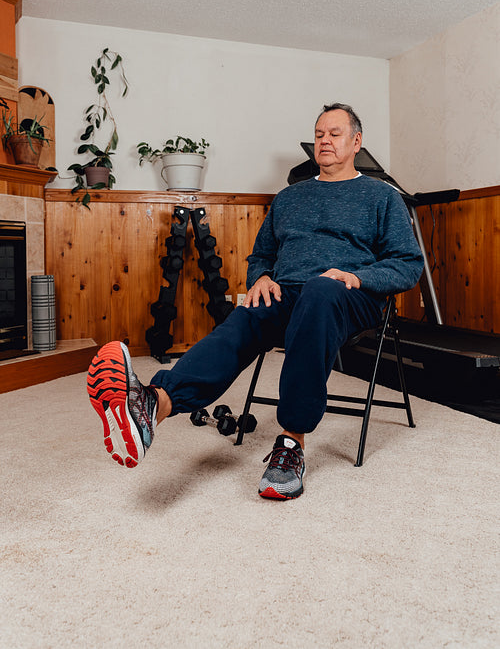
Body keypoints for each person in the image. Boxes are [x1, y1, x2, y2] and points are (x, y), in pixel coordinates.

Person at [88, 103, 424, 500]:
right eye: (319, 135)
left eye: (334, 134)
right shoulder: (289, 198)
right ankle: (152, 406)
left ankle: (291, 444)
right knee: (249, 313)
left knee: (320, 289)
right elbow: (262, 255)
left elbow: (407, 264)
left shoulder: (381, 197)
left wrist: (358, 276)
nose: (325, 141)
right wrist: (260, 278)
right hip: (289, 294)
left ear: (356, 141)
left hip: (350, 295)